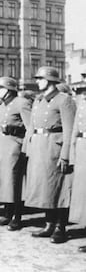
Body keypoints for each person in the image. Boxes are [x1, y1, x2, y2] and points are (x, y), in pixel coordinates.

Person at [25, 66, 76, 244]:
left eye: (40, 78)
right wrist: (28, 149)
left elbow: (69, 130)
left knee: (59, 187)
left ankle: (61, 227)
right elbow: (31, 127)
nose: (37, 81)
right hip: (39, 148)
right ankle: (49, 224)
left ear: (50, 80)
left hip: (55, 148)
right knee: (46, 188)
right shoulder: (38, 100)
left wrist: (66, 155)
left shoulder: (64, 100)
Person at [0, 77, 31, 231]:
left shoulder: (22, 103)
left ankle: (17, 217)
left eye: (0, 87)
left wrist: (25, 148)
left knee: (13, 181)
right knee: (3, 181)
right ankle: (7, 213)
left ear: (9, 89)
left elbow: (29, 127)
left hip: (13, 145)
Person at [69, 76, 86, 252]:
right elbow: (75, 129)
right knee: (83, 194)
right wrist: (72, 154)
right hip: (82, 149)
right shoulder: (82, 102)